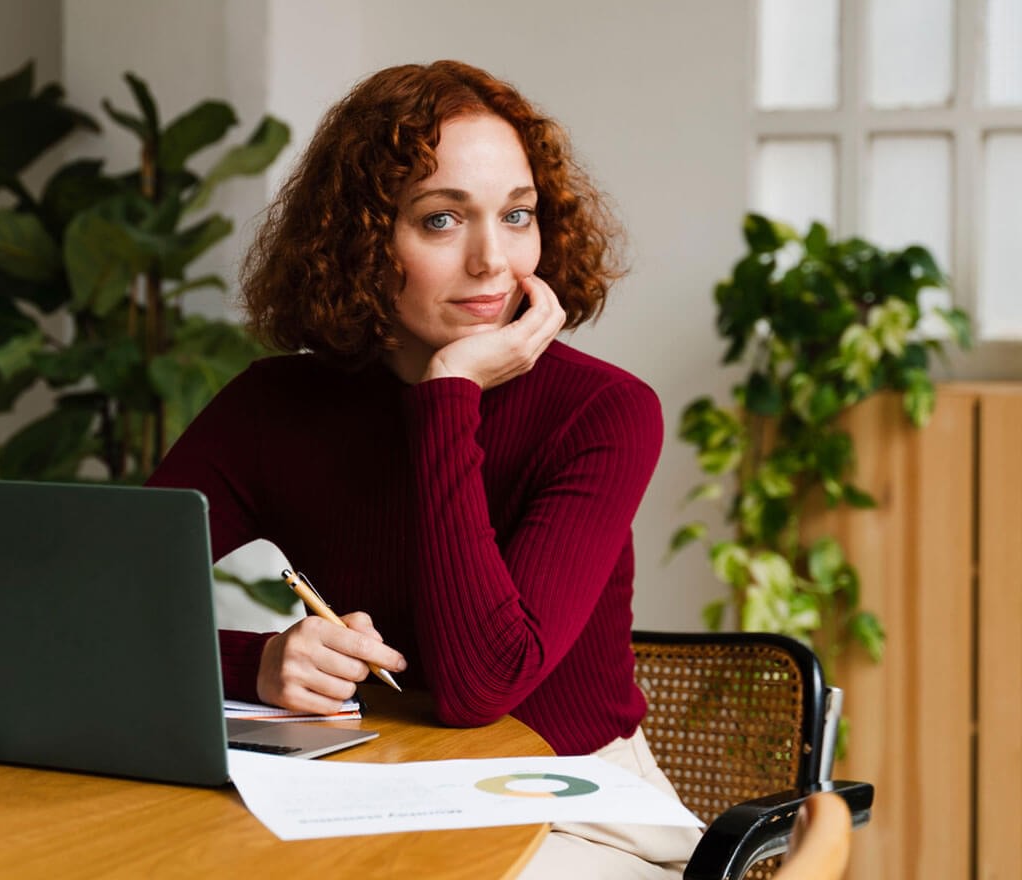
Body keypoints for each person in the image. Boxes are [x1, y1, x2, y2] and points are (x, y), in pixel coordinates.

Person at [147, 60, 700, 877]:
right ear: (362, 240)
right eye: (442, 221)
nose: (492, 262)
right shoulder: (274, 407)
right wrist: (257, 663)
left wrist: (448, 397)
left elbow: (482, 687)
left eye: (517, 215)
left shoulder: (606, 414)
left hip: (570, 808)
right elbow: (109, 609)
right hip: (364, 788)